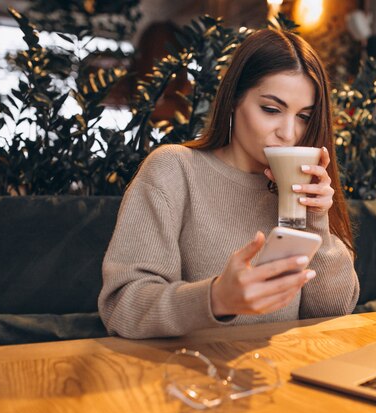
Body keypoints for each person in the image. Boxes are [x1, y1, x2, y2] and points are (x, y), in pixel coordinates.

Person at [98, 28, 359, 339]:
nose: (289, 133)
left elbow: (334, 314)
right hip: (189, 377)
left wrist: (316, 221)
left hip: (281, 376)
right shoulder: (175, 170)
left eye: (304, 116)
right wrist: (216, 298)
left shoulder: (299, 190)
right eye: (271, 110)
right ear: (234, 99)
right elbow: (122, 306)